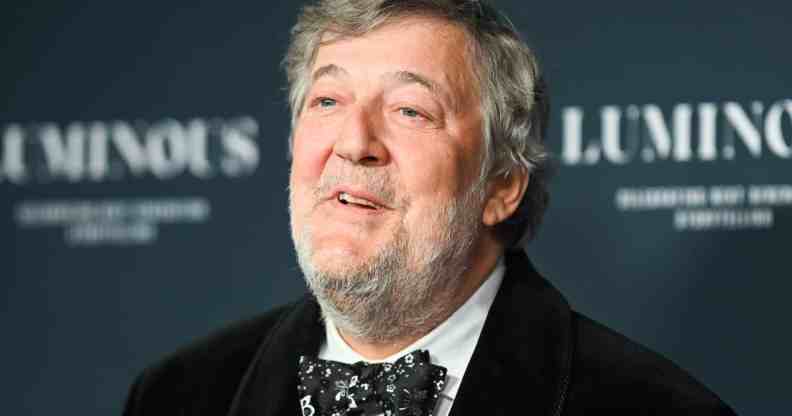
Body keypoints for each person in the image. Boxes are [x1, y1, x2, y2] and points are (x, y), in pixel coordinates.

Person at [123, 1, 737, 415]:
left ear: (502, 185)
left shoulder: (654, 407)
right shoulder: (175, 396)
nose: (354, 143)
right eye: (328, 100)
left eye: (410, 110)